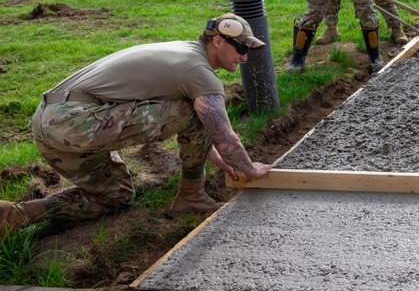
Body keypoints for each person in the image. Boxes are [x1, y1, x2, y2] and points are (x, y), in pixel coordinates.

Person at [0, 14, 274, 235]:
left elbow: (199, 131)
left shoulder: (184, 52)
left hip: (49, 124)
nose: (244, 57)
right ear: (217, 41)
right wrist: (248, 167)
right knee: (196, 110)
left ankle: (18, 214)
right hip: (73, 122)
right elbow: (221, 134)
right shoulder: (199, 72)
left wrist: (221, 162)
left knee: (116, 197)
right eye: (240, 48)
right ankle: (191, 197)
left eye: (248, 50)